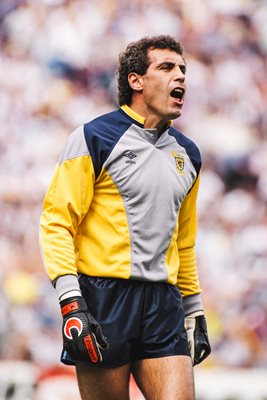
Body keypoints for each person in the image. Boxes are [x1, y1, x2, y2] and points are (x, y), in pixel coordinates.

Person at [39, 34, 211, 400]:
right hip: (102, 299)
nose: (180, 76)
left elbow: (183, 240)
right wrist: (71, 301)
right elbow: (57, 223)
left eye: (182, 69)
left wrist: (193, 308)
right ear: (136, 81)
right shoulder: (93, 137)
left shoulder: (189, 155)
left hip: (163, 302)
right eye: (166, 67)